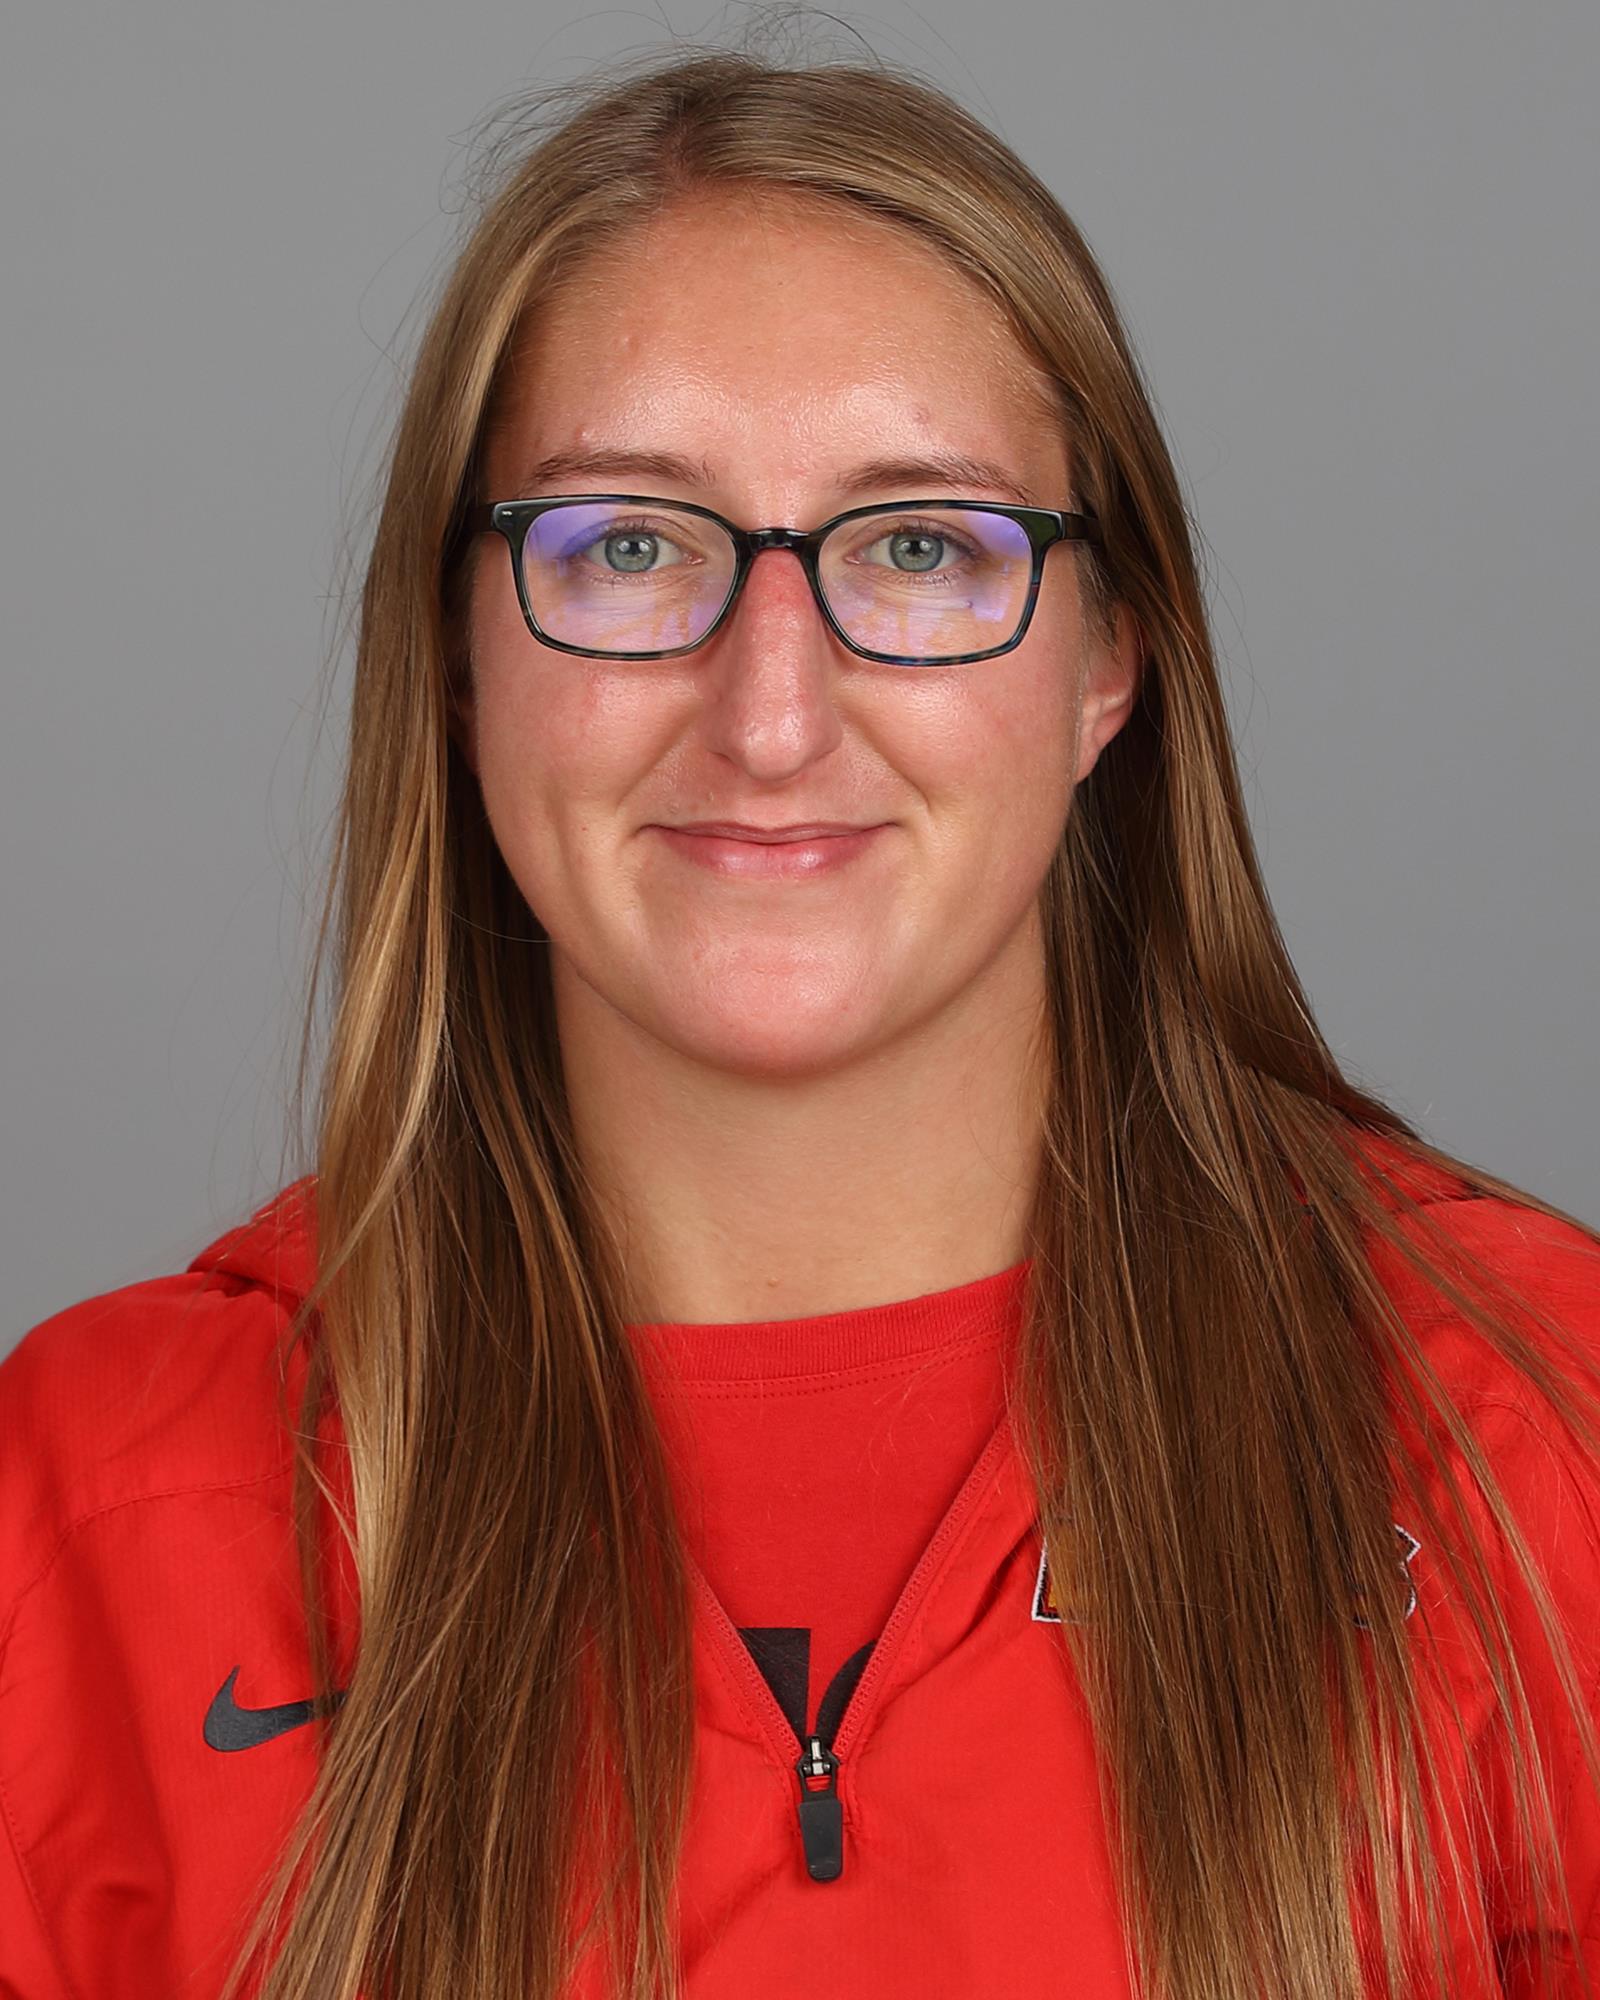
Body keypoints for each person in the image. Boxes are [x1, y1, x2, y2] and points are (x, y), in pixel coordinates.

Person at [3, 37, 1599, 2000]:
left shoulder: (1532, 1446)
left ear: (1110, 659)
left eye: (920, 546)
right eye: (626, 544)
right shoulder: (93, 1519)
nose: (769, 716)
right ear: (458, 657)